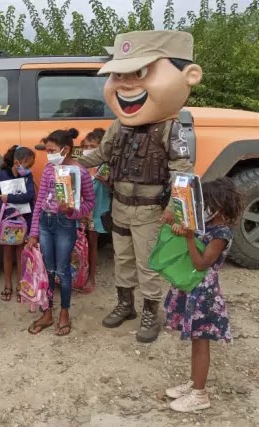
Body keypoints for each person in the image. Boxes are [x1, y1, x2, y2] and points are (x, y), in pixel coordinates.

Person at [78, 30, 202, 343]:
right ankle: (125, 304)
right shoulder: (118, 126)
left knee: (147, 264)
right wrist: (72, 163)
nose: (127, 83)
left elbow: (182, 172)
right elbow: (101, 154)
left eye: (139, 72)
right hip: (120, 206)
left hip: (149, 210)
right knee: (122, 259)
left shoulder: (169, 129)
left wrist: (176, 210)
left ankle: (150, 312)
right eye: (120, 74)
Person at [164, 178, 242, 412]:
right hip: (193, 288)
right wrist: (175, 224)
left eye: (205, 203)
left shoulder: (221, 234)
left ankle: (199, 394)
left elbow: (201, 264)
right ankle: (194, 383)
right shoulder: (205, 226)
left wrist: (188, 236)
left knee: (201, 342)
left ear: (218, 205)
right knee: (196, 341)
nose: (201, 207)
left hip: (204, 294)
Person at [26, 129, 95, 336]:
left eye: (52, 150)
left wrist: (73, 212)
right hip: (46, 223)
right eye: (47, 150)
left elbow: (90, 203)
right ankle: (47, 313)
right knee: (46, 270)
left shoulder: (81, 172)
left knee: (63, 270)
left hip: (65, 224)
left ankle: (64, 312)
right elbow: (40, 201)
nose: (49, 154)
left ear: (66, 149)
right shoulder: (48, 169)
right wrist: (33, 232)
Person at [0, 145, 36, 302]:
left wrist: (9, 198)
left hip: (23, 222)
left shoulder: (27, 177)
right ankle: (8, 285)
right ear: (17, 162)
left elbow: (30, 195)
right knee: (8, 253)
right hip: (8, 223)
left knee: (20, 253)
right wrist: (3, 204)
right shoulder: (3, 175)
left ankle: (20, 285)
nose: (29, 169)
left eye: (30, 166)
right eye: (28, 165)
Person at [80, 128, 110, 290]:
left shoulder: (105, 167)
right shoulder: (81, 165)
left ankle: (91, 277)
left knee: (92, 243)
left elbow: (114, 189)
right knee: (78, 242)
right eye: (85, 146)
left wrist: (106, 181)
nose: (87, 150)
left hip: (95, 211)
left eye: (92, 146)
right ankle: (77, 274)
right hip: (79, 210)